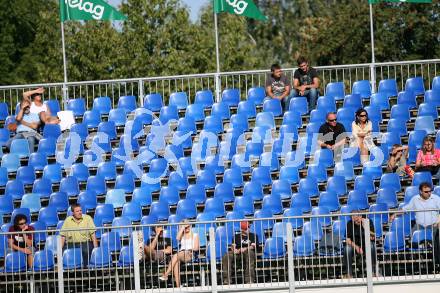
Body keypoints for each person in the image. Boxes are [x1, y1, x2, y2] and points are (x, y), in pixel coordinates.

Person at [392, 182, 440, 268]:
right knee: (412, 239)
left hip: (434, 224)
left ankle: (436, 262)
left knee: (436, 238)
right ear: (421, 192)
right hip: (419, 225)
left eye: (430, 191)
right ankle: (414, 263)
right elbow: (405, 209)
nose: (429, 193)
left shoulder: (436, 198)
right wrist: (395, 214)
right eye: (426, 191)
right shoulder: (415, 199)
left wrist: (438, 221)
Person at [160, 222, 199, 287]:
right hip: (181, 254)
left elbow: (196, 248)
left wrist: (189, 249)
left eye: (188, 226)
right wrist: (182, 228)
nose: (187, 228)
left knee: (175, 256)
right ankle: (178, 287)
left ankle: (166, 274)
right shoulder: (182, 236)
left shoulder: (195, 235)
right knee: (176, 262)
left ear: (190, 226)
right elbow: (177, 238)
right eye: (185, 227)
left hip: (190, 253)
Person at [343, 211, 378, 278]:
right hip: (354, 246)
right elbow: (348, 240)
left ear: (361, 216)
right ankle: (349, 273)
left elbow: (373, 237)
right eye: (353, 217)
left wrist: (365, 227)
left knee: (372, 246)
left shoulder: (368, 221)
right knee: (347, 249)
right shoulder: (349, 223)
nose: (355, 220)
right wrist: (356, 247)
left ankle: (373, 271)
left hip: (367, 244)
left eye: (357, 217)